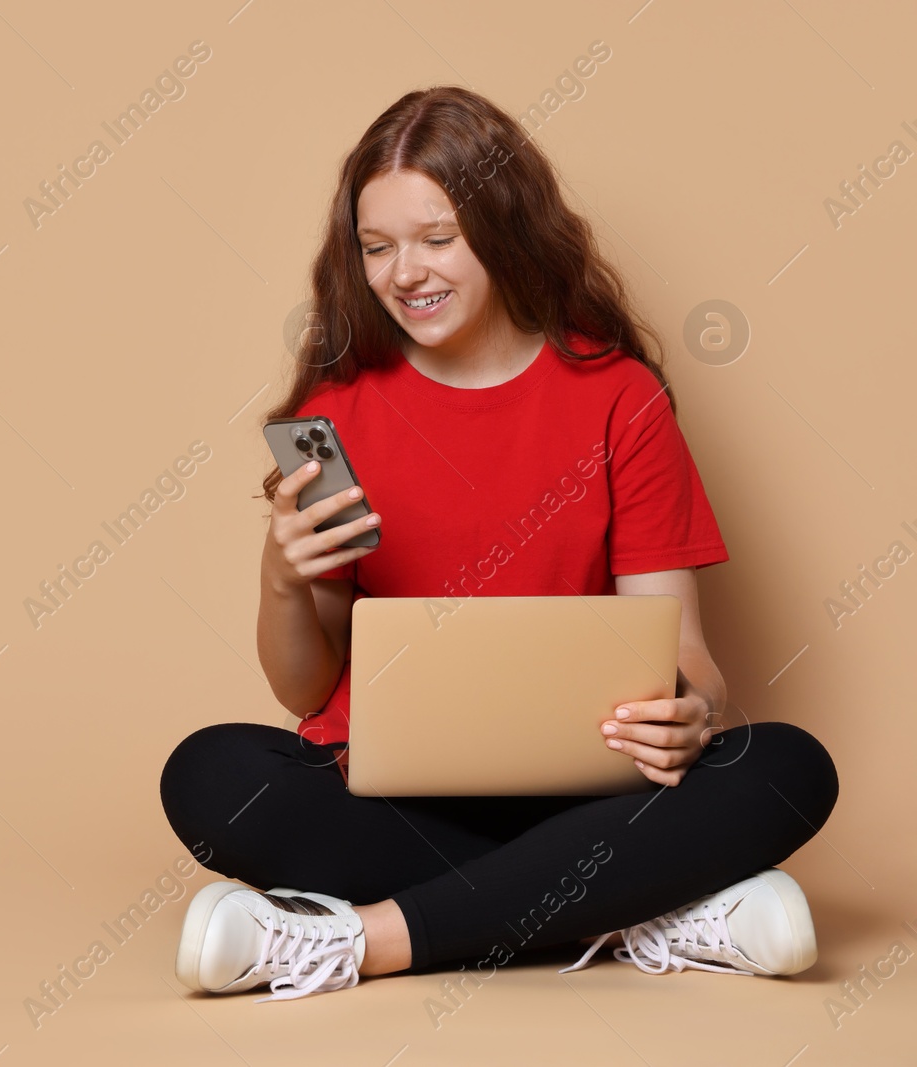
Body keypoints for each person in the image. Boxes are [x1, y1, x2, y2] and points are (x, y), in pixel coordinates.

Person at [157, 86, 839, 1003]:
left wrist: (692, 712)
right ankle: (639, 908)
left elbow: (688, 660)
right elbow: (304, 690)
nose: (404, 273)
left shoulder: (618, 398)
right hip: (392, 799)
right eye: (377, 246)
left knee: (787, 768)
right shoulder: (331, 418)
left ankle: (355, 940)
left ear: (505, 226)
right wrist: (283, 578)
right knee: (211, 773)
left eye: (437, 237)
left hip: (584, 789)